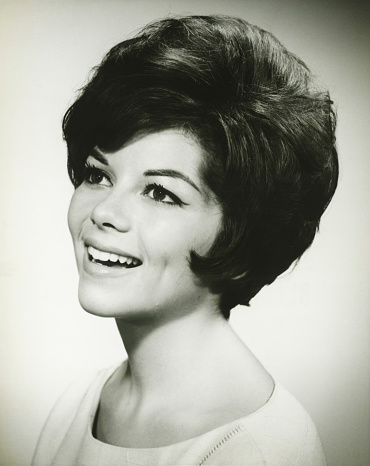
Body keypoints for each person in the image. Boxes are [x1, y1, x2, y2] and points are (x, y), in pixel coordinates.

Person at [32, 14, 338, 466]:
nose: (103, 212)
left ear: (241, 232)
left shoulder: (265, 450)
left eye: (160, 192)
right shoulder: (78, 404)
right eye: (98, 175)